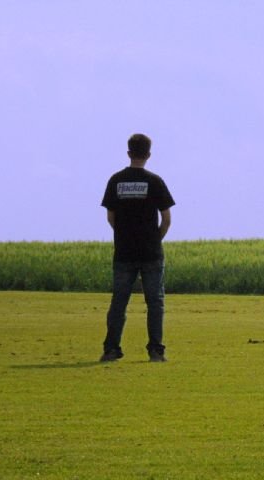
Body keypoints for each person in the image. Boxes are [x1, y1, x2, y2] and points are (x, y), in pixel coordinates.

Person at [100, 133, 175, 362]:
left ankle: (111, 349)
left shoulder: (116, 181)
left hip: (124, 252)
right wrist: (154, 239)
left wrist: (124, 235)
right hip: (151, 253)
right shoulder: (155, 181)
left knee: (119, 302)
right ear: (148, 155)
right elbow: (166, 219)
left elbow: (110, 217)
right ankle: (156, 350)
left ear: (129, 153)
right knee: (155, 303)